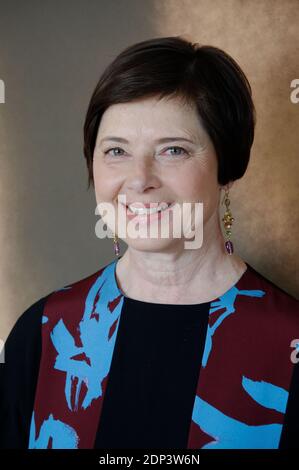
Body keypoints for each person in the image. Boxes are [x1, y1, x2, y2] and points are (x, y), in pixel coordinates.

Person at [0, 36, 298, 450]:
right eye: (116, 151)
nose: (140, 179)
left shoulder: (289, 343)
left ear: (226, 166)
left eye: (173, 150)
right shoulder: (45, 333)